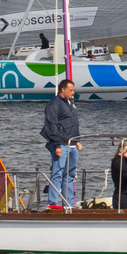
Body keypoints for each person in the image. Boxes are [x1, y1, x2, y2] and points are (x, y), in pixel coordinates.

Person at [41, 78, 81, 209]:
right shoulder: (54, 104)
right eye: (70, 90)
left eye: (73, 90)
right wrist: (57, 145)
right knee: (57, 173)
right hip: (61, 145)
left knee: (70, 175)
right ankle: (52, 203)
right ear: (63, 90)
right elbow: (51, 125)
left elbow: (73, 123)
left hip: (72, 144)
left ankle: (68, 204)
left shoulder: (70, 103)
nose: (73, 93)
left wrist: (78, 140)